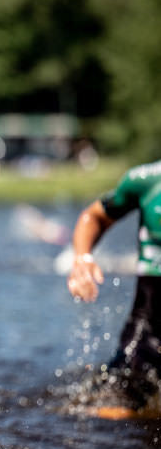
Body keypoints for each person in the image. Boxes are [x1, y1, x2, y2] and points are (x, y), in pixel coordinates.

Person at [67, 159, 161, 418]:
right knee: (115, 407)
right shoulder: (146, 180)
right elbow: (94, 216)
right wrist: (82, 258)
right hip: (151, 316)